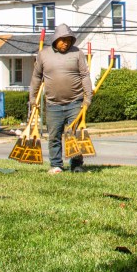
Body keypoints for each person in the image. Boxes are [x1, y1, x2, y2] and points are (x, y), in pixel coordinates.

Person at [29, 24, 92, 174]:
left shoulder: (77, 53)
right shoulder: (43, 55)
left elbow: (85, 76)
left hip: (75, 102)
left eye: (69, 40)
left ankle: (76, 165)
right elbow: (36, 77)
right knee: (54, 136)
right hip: (53, 104)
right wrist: (32, 99)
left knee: (74, 135)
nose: (66, 43)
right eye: (63, 40)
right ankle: (56, 165)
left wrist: (87, 98)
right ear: (56, 39)